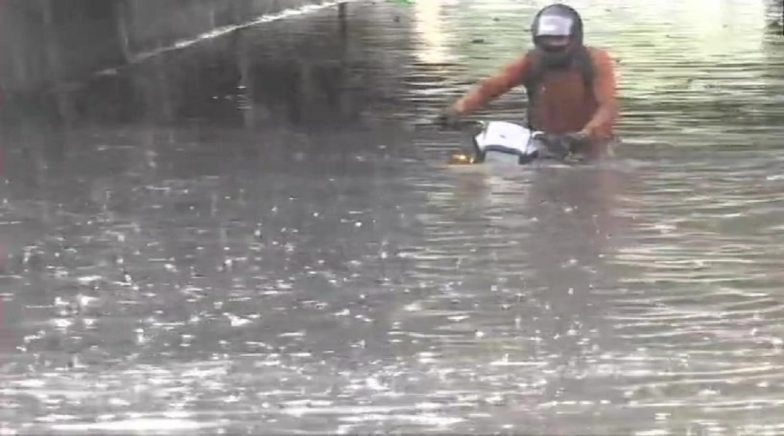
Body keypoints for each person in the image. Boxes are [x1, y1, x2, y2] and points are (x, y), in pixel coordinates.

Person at [436, 3, 619, 160]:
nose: (553, 46)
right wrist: (456, 110)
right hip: (542, 140)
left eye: (559, 40)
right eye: (547, 40)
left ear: (575, 38)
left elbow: (608, 107)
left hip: (590, 144)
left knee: (596, 186)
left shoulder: (595, 61)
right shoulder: (532, 61)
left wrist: (584, 135)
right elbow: (492, 87)